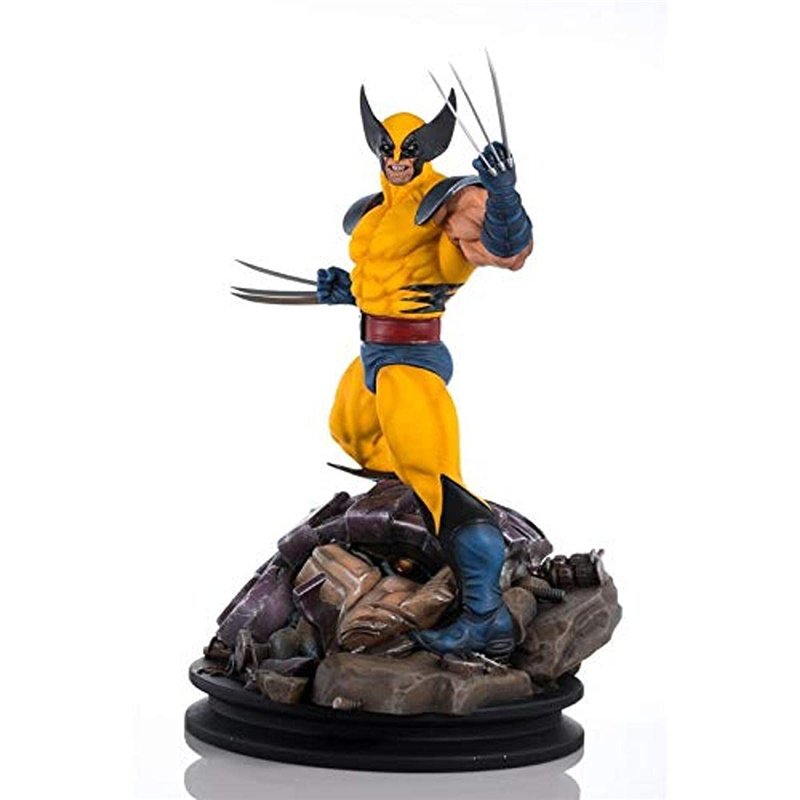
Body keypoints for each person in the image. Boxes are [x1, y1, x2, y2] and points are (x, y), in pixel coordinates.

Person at [315, 84, 533, 659]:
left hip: (410, 361)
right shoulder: (375, 213)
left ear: (428, 148)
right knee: (352, 432)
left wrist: (505, 197)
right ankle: (414, 532)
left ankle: (486, 616)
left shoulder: (448, 204)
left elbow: (506, 249)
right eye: (388, 146)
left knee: (440, 482)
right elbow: (391, 278)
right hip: (374, 353)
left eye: (408, 147)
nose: (397, 157)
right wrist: (349, 292)